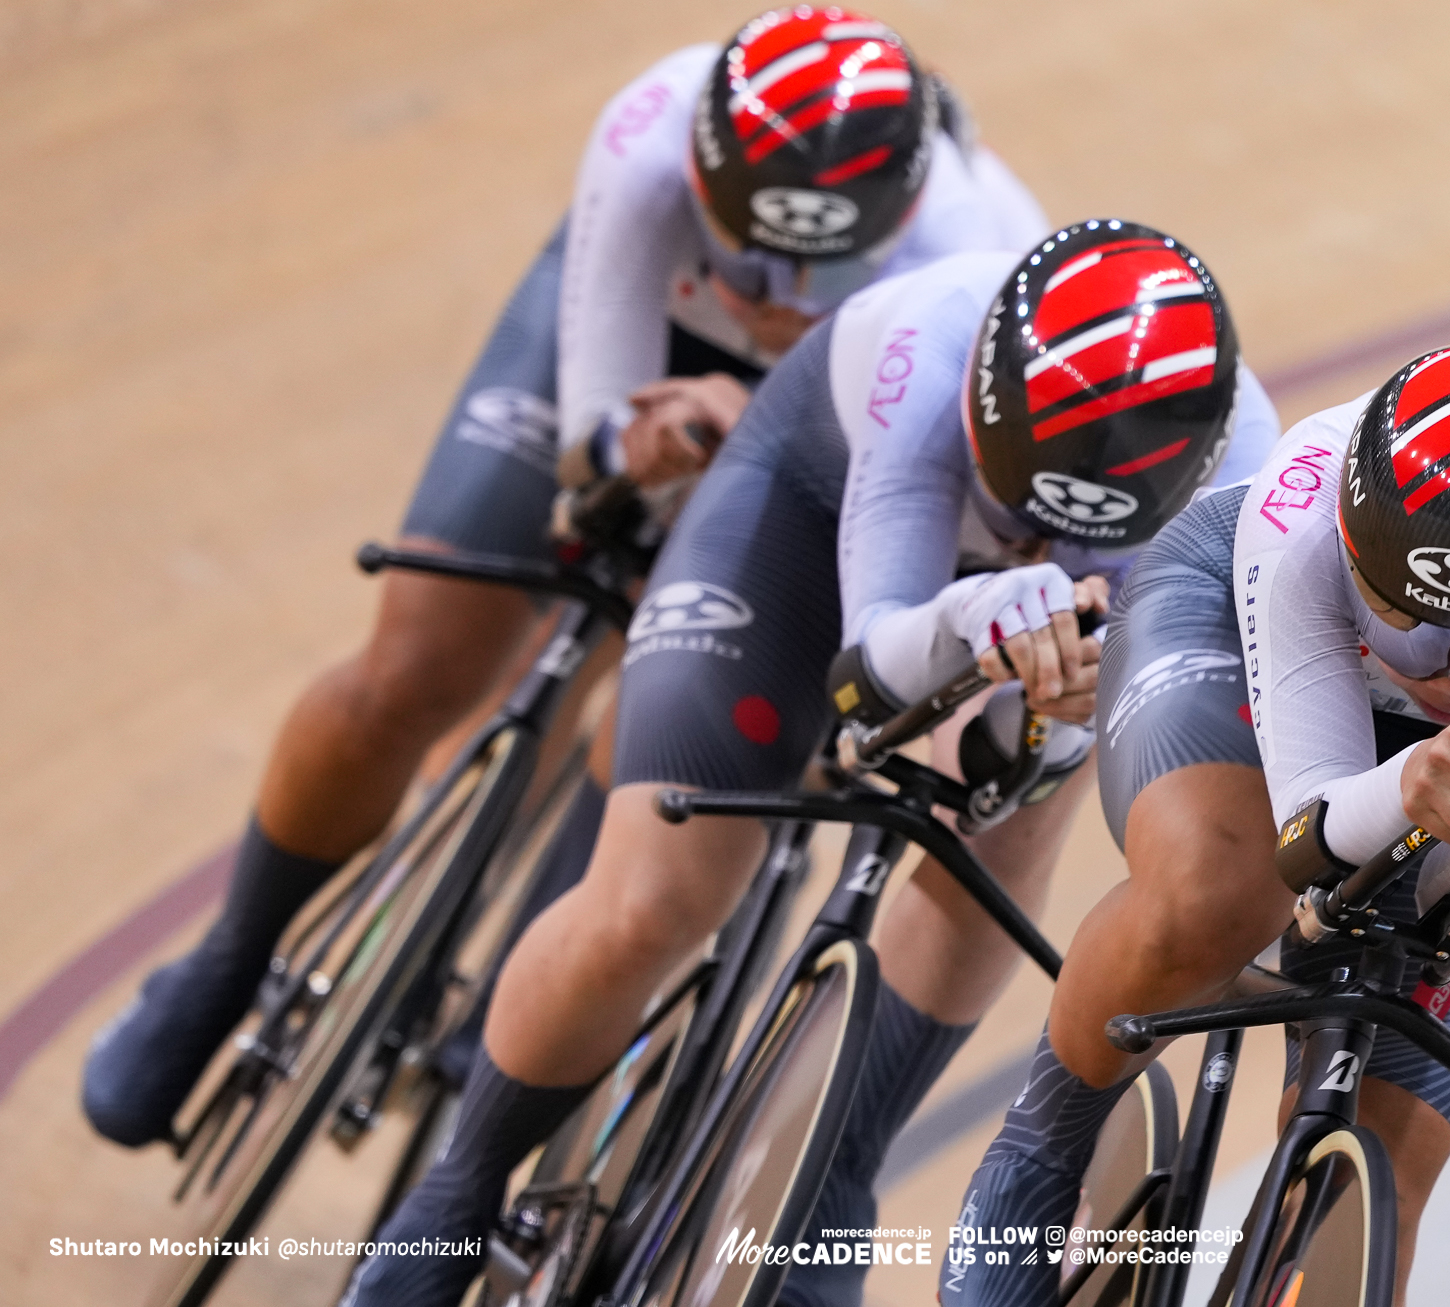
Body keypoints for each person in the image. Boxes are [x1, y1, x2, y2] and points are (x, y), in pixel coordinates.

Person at [82, 5, 1049, 1150]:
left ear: (891, 226)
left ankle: (519, 1017)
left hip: (832, 426)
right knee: (416, 664)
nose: (780, 288)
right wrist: (616, 452)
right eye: (750, 248)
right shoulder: (645, 143)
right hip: (646, 352)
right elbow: (586, 437)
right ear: (700, 177)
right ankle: (230, 956)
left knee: (691, 705)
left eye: (823, 263)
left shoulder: (968, 258)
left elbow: (884, 543)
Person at [341, 219, 1282, 1306]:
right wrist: (982, 610)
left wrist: (1069, 696)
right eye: (1018, 488)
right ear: (985, 390)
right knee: (652, 897)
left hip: (1058, 600)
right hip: (805, 514)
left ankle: (835, 1162)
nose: (1028, 525)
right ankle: (456, 1190)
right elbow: (867, 668)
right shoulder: (924, 350)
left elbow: (1144, 720)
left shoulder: (1239, 478)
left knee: (1017, 805)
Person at [943, 343, 1450, 1306]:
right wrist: (1408, 783)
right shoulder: (1302, 507)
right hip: (1230, 621)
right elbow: (1305, 836)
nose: (1442, 665)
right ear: (1354, 541)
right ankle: (1038, 1151)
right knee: (1216, 893)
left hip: (1429, 759)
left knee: (1381, 1169)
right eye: (1396, 605)